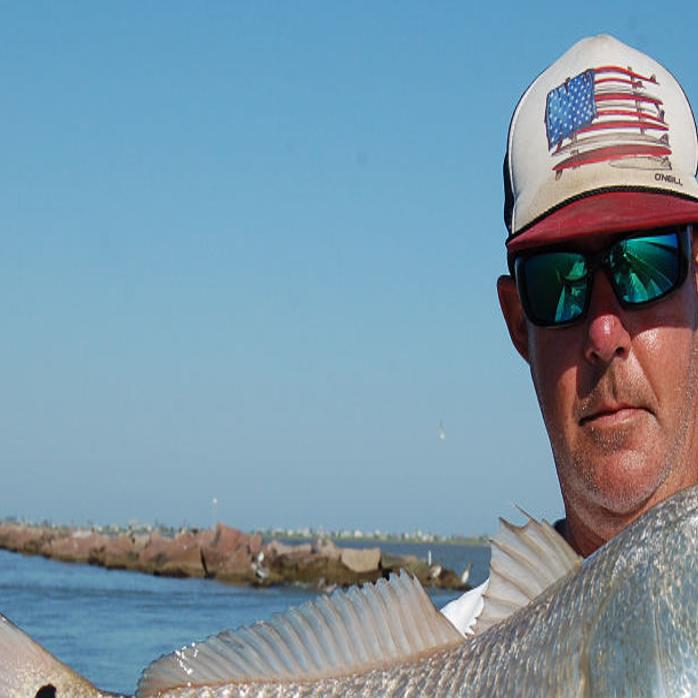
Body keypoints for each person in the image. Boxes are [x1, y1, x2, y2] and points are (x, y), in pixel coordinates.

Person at [442, 33, 698, 635]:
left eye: (646, 264)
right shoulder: (451, 657)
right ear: (516, 322)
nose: (604, 332)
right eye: (559, 281)